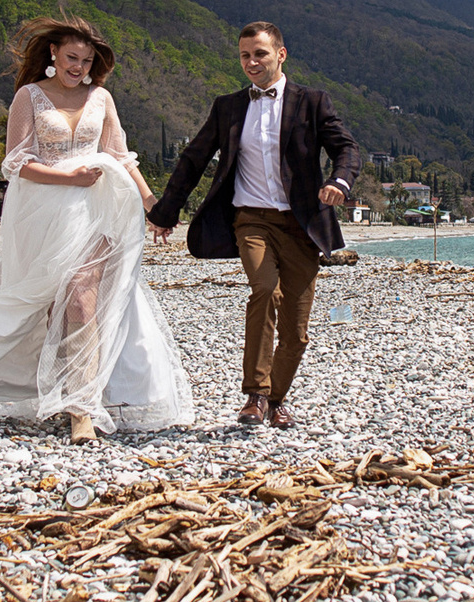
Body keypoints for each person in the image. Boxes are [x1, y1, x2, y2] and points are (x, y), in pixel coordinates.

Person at [0, 17, 193, 443]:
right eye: (72, 57)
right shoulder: (29, 97)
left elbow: (120, 157)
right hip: (43, 211)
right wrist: (69, 179)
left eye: (87, 60)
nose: (79, 67)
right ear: (53, 54)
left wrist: (154, 205)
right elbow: (17, 163)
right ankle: (57, 387)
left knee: (82, 299)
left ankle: (82, 407)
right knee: (51, 306)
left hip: (98, 209)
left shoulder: (102, 98)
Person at [147, 21, 361, 428]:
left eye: (260, 53)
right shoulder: (227, 106)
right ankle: (255, 396)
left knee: (296, 333)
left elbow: (346, 148)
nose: (251, 62)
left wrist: (340, 181)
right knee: (264, 291)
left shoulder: (312, 102)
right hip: (251, 220)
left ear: (281, 54)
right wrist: (164, 211)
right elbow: (194, 158)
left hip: (301, 226)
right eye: (245, 55)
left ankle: (277, 399)